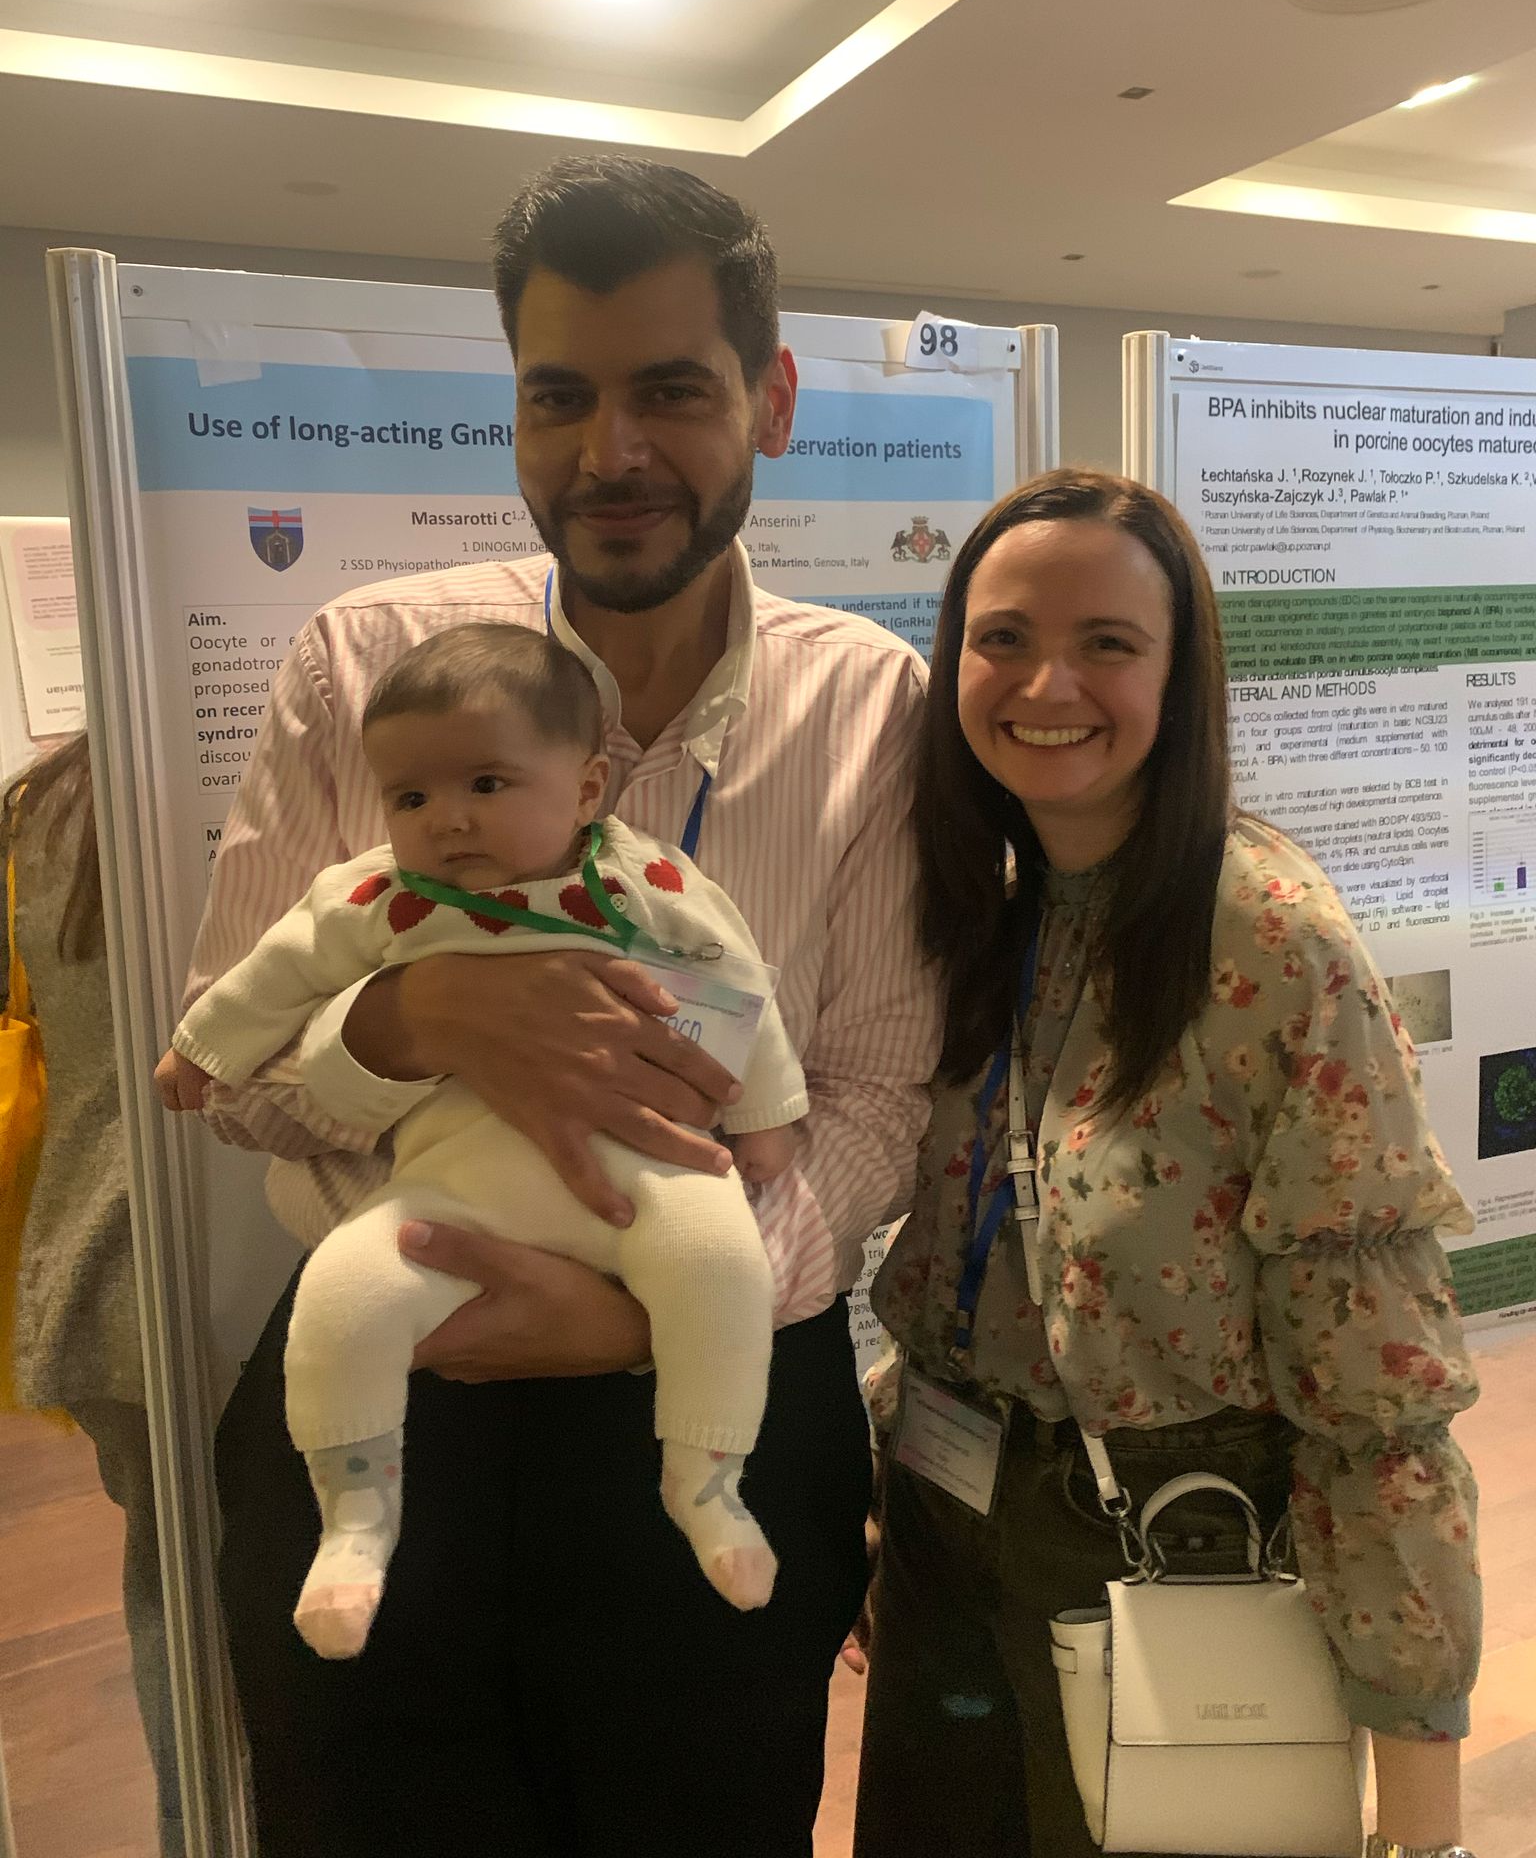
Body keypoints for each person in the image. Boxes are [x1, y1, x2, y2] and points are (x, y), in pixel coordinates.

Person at [179, 154, 941, 1856]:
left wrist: (646, 1316)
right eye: (560, 396)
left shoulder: (869, 705)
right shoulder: (362, 665)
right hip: (395, 1381)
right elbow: (228, 1064)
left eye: (671, 390)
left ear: (772, 398)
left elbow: (880, 1094)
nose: (612, 452)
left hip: (720, 1397)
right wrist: (415, 1024)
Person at [853, 470, 1481, 1858]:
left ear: (1178, 676)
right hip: (948, 1522)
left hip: (1170, 1543)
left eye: (1108, 643)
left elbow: (1378, 1396)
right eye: (1004, 638)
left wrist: (1422, 1815)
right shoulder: (976, 907)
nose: (1047, 683)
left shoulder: (1271, 941)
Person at [160, 620, 806, 1654]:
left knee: (724, 1262)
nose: (448, 819)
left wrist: (766, 1119)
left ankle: (707, 1484)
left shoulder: (647, 882)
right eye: (410, 797)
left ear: (587, 788)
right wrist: (204, 1050)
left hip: (646, 1172)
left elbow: (737, 986)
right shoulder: (381, 896)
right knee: (342, 1293)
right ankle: (356, 1523)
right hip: (448, 1191)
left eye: (487, 784)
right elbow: (277, 971)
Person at [3, 734, 184, 1857]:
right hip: (224, 1266)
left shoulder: (38, 804)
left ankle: (189, 1826)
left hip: (91, 1268)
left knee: (169, 1581)